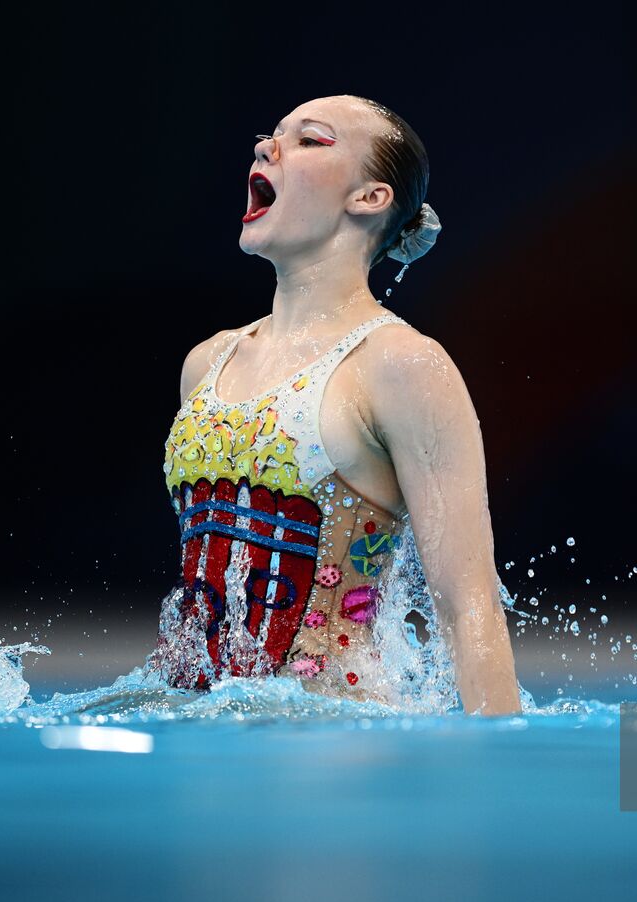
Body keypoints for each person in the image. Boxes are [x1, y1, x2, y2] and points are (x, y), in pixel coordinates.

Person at [151, 94, 521, 715]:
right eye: (271, 135)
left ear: (370, 197)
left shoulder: (400, 365)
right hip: (194, 730)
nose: (267, 147)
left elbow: (468, 604)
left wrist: (500, 769)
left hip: (335, 746)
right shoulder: (208, 363)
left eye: (309, 140)